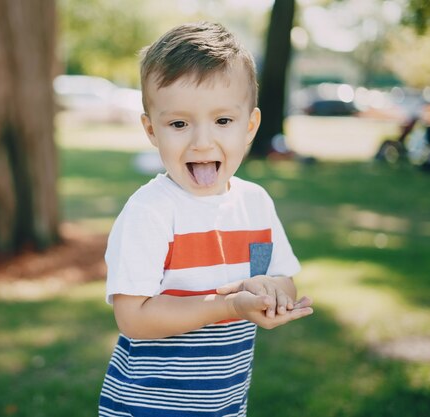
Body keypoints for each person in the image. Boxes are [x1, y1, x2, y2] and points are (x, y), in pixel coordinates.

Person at [98, 22, 314, 417]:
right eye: (179, 124)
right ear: (151, 130)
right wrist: (227, 307)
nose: (201, 141)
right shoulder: (151, 211)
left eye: (223, 121)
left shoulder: (256, 203)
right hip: (150, 406)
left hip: (224, 404)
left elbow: (283, 276)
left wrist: (269, 291)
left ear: (250, 126)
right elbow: (133, 318)